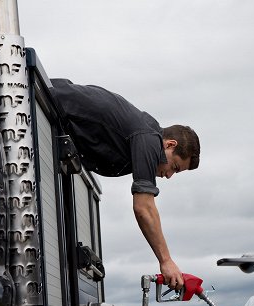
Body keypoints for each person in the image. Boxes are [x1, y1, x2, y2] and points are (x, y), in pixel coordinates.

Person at [50, 79, 200, 291]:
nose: (169, 176)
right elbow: (144, 207)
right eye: (175, 167)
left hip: (53, 117)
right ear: (169, 144)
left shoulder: (143, 136)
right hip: (46, 105)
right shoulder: (148, 139)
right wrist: (166, 261)